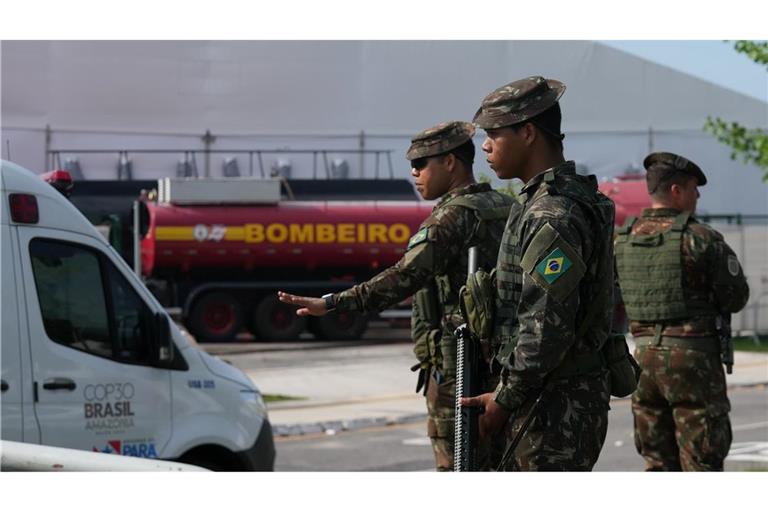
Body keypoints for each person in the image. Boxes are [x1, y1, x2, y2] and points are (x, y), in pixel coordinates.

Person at [278, 121, 518, 471]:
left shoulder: (451, 218)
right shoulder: (505, 205)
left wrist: (332, 303)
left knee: (458, 464)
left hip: (459, 369)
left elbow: (404, 277)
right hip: (500, 369)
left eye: (422, 164)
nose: (414, 172)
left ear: (450, 162)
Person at [460, 76, 616, 471]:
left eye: (494, 133)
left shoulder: (553, 213)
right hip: (544, 397)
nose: (485, 145)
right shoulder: (539, 201)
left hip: (552, 408)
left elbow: (546, 324)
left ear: (528, 133)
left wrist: (505, 398)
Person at [614, 151, 749, 471]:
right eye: (692, 188)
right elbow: (736, 298)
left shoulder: (621, 241)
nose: (698, 195)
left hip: (643, 362)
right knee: (702, 461)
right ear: (676, 191)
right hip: (693, 363)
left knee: (657, 463)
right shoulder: (701, 239)